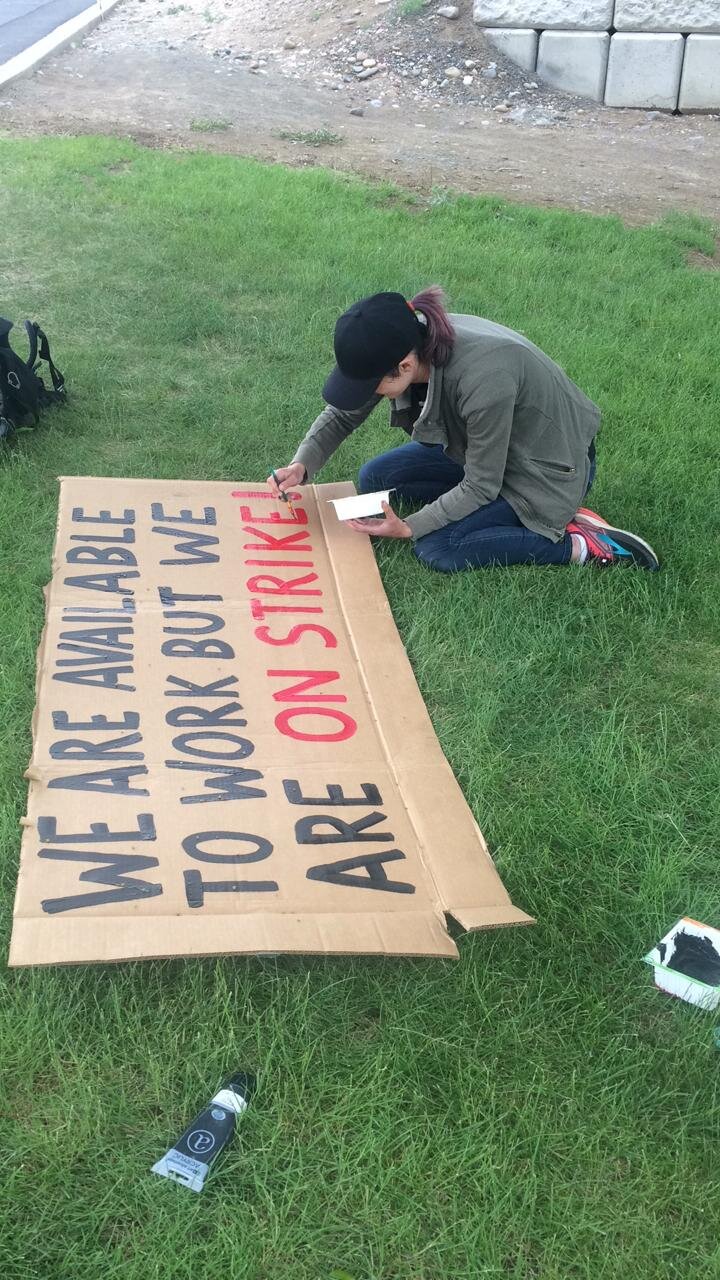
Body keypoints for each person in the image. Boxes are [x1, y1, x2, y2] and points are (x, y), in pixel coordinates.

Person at [267, 288, 659, 573]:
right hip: (489, 448)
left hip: (549, 469)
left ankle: (582, 544)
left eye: (371, 386)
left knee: (438, 547)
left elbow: (483, 484)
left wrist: (409, 526)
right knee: (377, 477)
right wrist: (302, 465)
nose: (366, 396)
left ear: (404, 367)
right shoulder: (409, 339)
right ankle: (516, 521)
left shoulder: (484, 378)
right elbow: (342, 414)